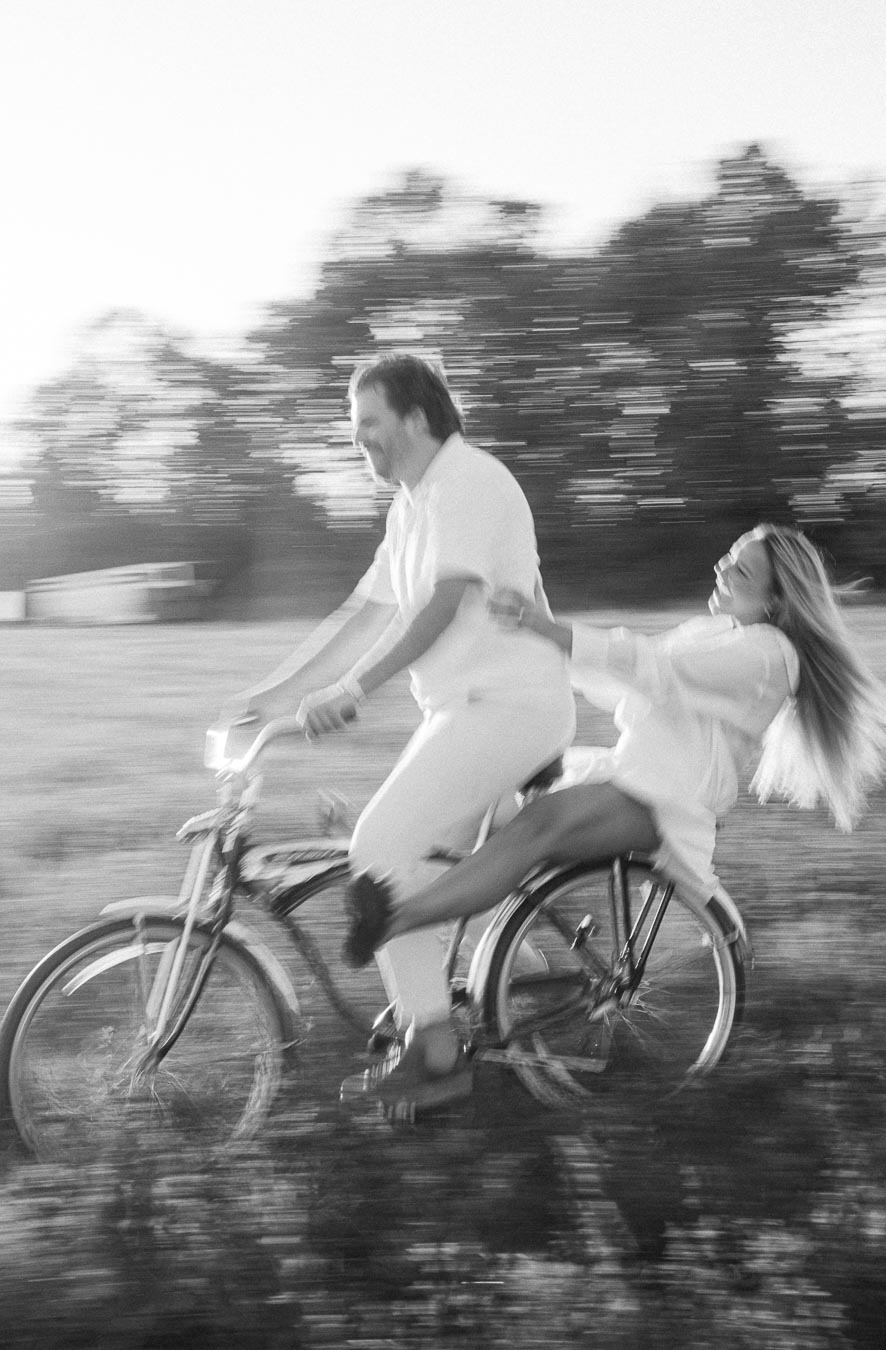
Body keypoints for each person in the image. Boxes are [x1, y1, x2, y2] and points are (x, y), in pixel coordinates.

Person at [222, 353, 576, 1111]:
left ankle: (434, 1048)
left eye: (369, 425)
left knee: (378, 847)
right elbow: (363, 613)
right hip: (464, 711)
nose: (360, 443)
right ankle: (516, 984)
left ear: (416, 418)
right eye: (356, 430)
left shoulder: (467, 480)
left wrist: (352, 690)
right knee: (428, 867)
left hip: (509, 706)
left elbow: (444, 603)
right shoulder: (411, 505)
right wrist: (271, 693)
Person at [346, 524, 886, 975]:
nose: (721, 568)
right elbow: (624, 680)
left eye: (741, 570)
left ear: (776, 600)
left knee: (539, 825)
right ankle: (516, 963)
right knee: (481, 811)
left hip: (664, 800)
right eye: (729, 556)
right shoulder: (716, 631)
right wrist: (537, 636)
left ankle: (395, 918)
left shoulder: (768, 654)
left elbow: (651, 666)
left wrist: (548, 628)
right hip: (630, 775)